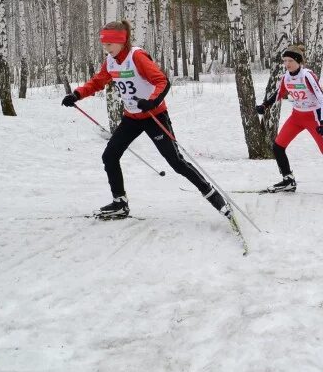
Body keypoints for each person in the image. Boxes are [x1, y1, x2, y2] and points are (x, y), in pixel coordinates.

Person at [61, 20, 236, 223]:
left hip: (154, 116)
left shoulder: (137, 56)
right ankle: (120, 203)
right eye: (104, 44)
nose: (106, 48)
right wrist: (77, 94)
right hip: (131, 118)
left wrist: (151, 101)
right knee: (109, 156)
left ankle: (213, 196)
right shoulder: (110, 61)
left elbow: (162, 81)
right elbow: (98, 81)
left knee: (176, 163)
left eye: (109, 44)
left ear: (121, 42)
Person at [256, 44, 323, 201]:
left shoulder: (307, 75)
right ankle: (288, 180)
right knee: (278, 147)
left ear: (298, 61)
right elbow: (279, 93)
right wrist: (265, 105)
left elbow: (322, 100)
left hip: (313, 118)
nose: (287, 64)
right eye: (285, 61)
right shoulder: (286, 77)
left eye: (290, 60)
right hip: (297, 117)